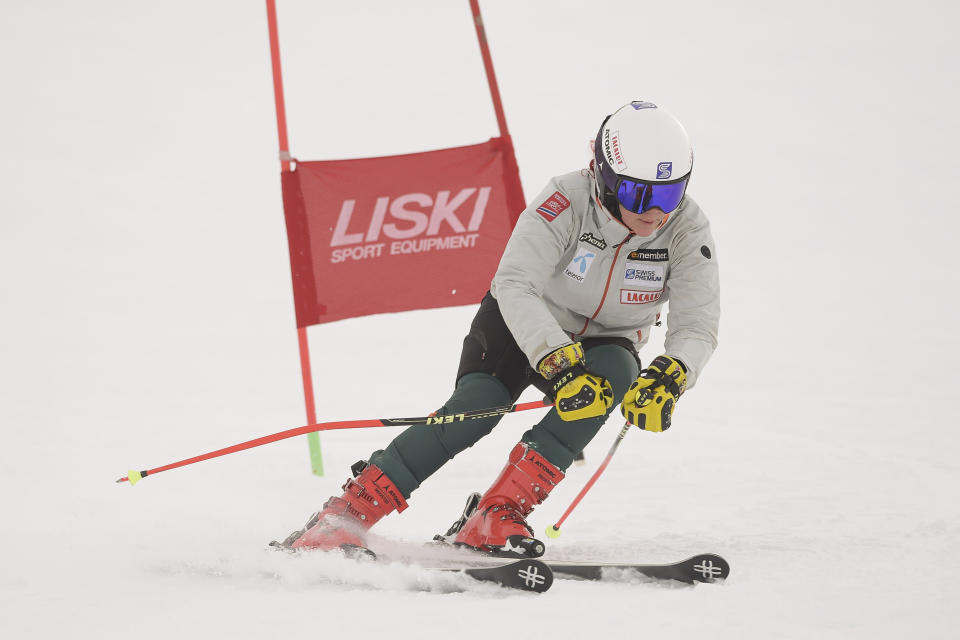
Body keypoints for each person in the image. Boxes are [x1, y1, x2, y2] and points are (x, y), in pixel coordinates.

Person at [278, 101, 720, 557]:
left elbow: (698, 323)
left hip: (608, 339)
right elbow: (515, 283)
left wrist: (672, 374)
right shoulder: (566, 200)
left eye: (669, 195)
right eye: (638, 194)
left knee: (612, 378)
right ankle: (345, 514)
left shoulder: (686, 228)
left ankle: (496, 515)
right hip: (523, 320)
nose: (655, 213)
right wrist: (558, 361)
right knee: (478, 408)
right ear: (605, 177)